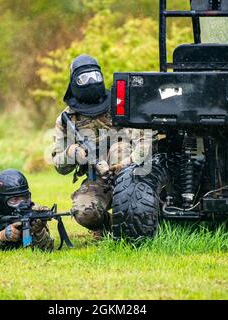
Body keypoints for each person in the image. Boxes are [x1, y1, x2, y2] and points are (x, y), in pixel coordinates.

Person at [51, 54, 155, 238]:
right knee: (84, 212)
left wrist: (124, 164)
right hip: (98, 180)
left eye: (95, 77)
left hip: (134, 177)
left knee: (119, 149)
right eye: (84, 79)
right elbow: (59, 164)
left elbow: (146, 142)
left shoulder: (120, 105)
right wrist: (73, 152)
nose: (91, 82)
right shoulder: (68, 119)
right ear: (74, 82)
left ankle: (141, 222)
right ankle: (111, 227)